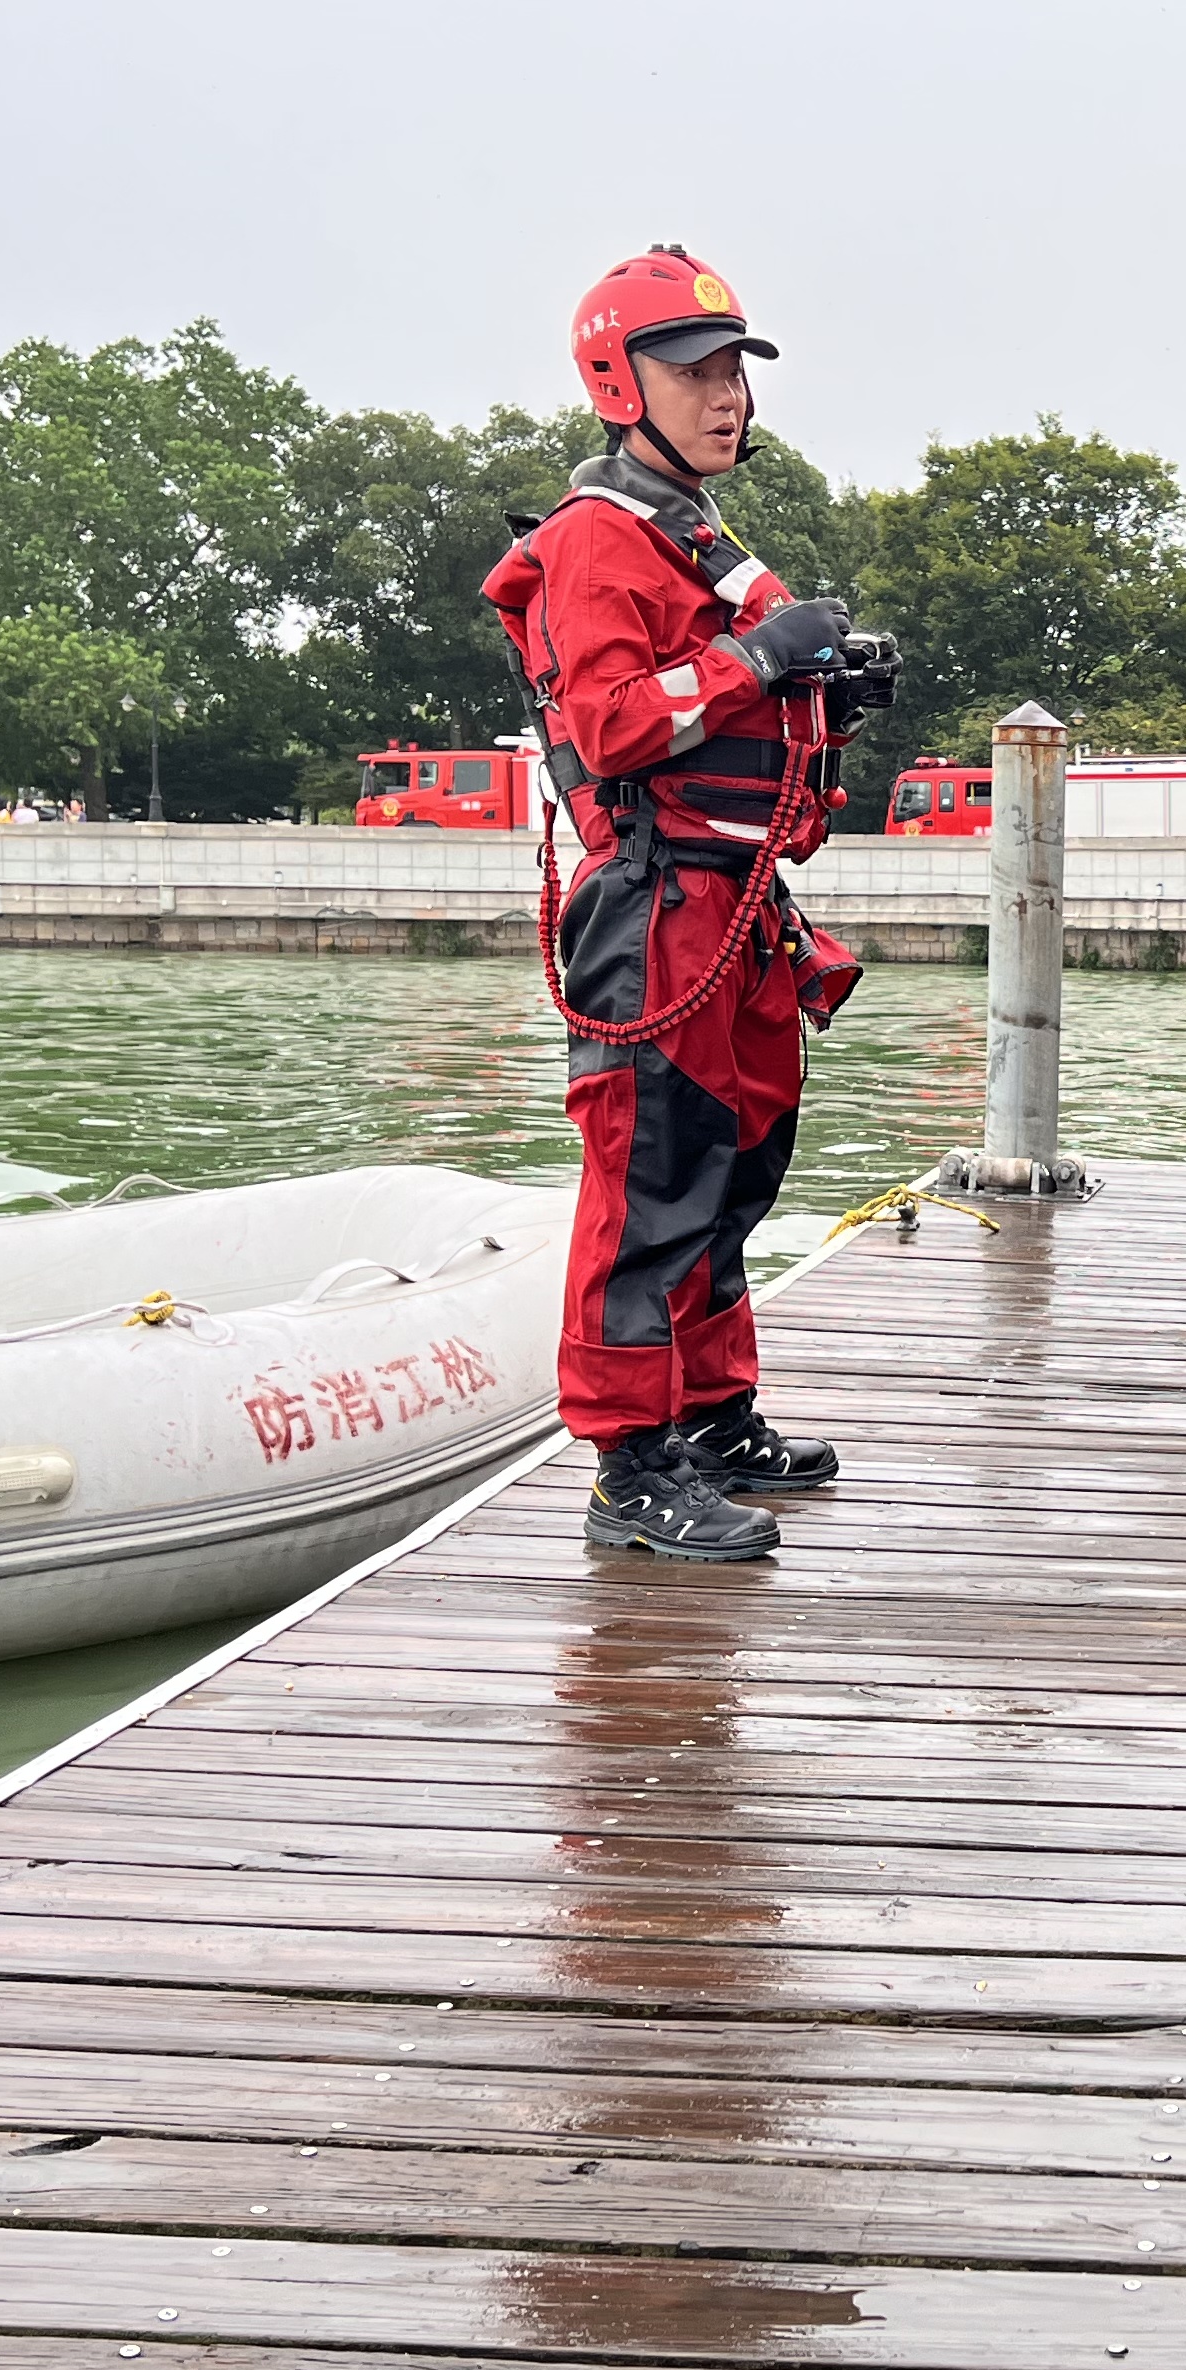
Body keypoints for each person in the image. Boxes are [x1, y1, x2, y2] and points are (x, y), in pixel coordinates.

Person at [482, 247, 896, 1564]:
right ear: (621, 380)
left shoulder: (695, 534)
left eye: (734, 370)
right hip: (657, 910)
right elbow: (606, 726)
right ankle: (627, 1468)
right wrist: (754, 660)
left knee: (734, 1173)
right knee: (649, 1187)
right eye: (697, 371)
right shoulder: (599, 538)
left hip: (737, 907)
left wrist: (821, 679)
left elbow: (732, 681)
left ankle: (712, 1418)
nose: (727, 396)